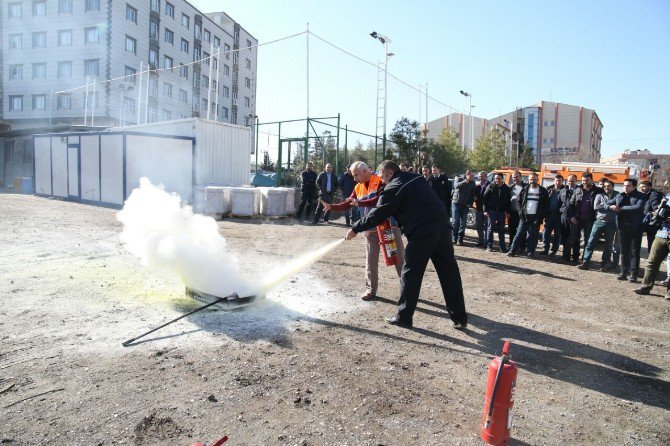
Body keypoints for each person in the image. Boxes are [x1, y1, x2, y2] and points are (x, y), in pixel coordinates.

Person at [345, 160, 468, 330]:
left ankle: (403, 317)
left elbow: (378, 214)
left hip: (423, 232)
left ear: (389, 172)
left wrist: (355, 228)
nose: (382, 180)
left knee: (410, 274)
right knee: (449, 273)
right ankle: (459, 318)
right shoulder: (416, 178)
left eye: (382, 176)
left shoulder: (395, 185)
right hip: (443, 227)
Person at [325, 161, 405, 301]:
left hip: (388, 227)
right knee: (370, 260)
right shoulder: (358, 186)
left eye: (356, 175)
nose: (354, 178)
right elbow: (348, 202)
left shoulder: (381, 180)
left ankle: (407, 287)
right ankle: (370, 289)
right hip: (370, 229)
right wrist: (332, 207)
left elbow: (380, 200)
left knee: (397, 258)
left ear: (365, 171)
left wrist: (360, 203)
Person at [608, 178, 647, 283]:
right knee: (624, 251)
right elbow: (607, 204)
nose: (625, 187)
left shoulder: (641, 196)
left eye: (628, 185)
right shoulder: (620, 195)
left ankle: (633, 274)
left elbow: (638, 207)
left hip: (635, 227)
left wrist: (620, 208)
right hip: (622, 227)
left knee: (634, 252)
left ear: (634, 186)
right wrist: (610, 207)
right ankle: (623, 272)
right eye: (624, 185)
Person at [634, 194, 670, 300]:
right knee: (652, 262)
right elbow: (659, 211)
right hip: (662, 234)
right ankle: (645, 287)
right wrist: (655, 214)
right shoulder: (668, 196)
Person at [578, 179, 619, 270]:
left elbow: (617, 207)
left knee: (608, 245)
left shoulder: (617, 196)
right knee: (590, 242)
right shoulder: (599, 195)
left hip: (611, 223)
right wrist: (609, 207)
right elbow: (596, 206)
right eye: (605, 186)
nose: (606, 188)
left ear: (612, 186)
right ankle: (585, 262)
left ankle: (604, 264)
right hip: (599, 222)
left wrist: (605, 206)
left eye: (609, 186)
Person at [507, 172, 549, 258]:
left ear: (538, 180)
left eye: (534, 179)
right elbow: (518, 202)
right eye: (531, 179)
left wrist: (541, 216)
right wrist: (521, 213)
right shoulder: (525, 189)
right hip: (524, 216)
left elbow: (546, 205)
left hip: (536, 217)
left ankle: (531, 252)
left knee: (533, 236)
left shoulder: (543, 191)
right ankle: (512, 251)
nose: (532, 181)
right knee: (519, 234)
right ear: (528, 180)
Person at [567, 172, 603, 262]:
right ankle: (570, 257)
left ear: (592, 180)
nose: (585, 182)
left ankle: (585, 260)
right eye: (583, 180)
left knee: (588, 241)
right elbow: (571, 204)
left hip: (590, 220)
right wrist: (571, 216)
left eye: (587, 180)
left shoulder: (598, 191)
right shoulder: (578, 189)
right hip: (576, 218)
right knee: (573, 239)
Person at [483, 173, 511, 252]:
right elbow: (485, 199)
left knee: (501, 229)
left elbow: (508, 201)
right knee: (490, 228)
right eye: (496, 178)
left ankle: (502, 247)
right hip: (491, 211)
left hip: (501, 212)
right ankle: (489, 246)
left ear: (502, 179)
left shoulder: (506, 188)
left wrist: (508, 212)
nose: (497, 180)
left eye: (499, 178)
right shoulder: (490, 186)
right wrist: (485, 210)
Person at [451, 170, 476, 245]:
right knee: (455, 222)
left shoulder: (473, 183)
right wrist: (465, 181)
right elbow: (456, 186)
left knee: (463, 223)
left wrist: (470, 203)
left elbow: (472, 194)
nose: (472, 177)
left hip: (465, 205)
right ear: (467, 175)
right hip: (456, 203)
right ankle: (454, 238)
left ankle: (460, 239)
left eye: (473, 176)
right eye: (471, 176)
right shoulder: (459, 179)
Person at [542, 174, 564, 256]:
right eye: (556, 180)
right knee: (546, 233)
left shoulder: (565, 190)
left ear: (562, 181)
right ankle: (545, 249)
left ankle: (554, 250)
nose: (558, 182)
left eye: (560, 181)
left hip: (559, 215)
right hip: (549, 215)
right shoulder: (549, 189)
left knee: (557, 234)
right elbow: (544, 203)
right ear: (554, 181)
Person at [559, 174, 579, 263]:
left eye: (572, 181)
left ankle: (575, 257)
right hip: (564, 216)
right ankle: (565, 257)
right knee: (564, 237)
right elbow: (561, 203)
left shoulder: (579, 191)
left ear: (576, 181)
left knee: (574, 239)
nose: (570, 182)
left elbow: (579, 206)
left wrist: (574, 216)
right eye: (569, 181)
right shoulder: (563, 190)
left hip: (574, 218)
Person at [641, 181, 664, 253]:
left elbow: (656, 209)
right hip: (648, 221)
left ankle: (652, 255)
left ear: (650, 187)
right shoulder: (647, 194)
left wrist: (651, 213)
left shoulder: (654, 195)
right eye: (641, 187)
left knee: (651, 239)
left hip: (652, 222)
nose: (641, 188)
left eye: (643, 187)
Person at [508, 171, 526, 252]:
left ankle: (522, 247)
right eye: (514, 177)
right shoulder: (511, 187)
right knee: (511, 230)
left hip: (522, 213)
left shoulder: (526, 187)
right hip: (512, 212)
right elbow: (507, 201)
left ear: (520, 177)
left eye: (516, 176)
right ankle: (512, 245)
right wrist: (507, 211)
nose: (515, 178)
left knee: (521, 231)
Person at [474, 171, 490, 247]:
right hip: (479, 209)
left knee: (487, 227)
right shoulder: (477, 186)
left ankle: (486, 243)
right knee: (478, 226)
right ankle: (481, 241)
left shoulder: (490, 185)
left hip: (487, 210)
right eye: (479, 176)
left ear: (486, 177)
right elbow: (474, 195)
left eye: (482, 176)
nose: (480, 177)